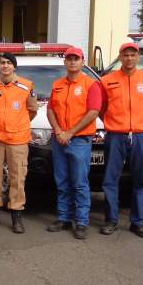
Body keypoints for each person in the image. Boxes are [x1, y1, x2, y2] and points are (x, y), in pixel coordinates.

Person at [99, 42, 143, 238]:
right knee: (110, 179)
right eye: (125, 55)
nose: (129, 58)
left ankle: (138, 222)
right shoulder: (107, 80)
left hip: (140, 135)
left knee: (140, 179)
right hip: (115, 135)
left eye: (132, 55)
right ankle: (111, 220)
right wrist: (114, 122)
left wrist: (141, 122)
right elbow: (101, 108)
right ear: (120, 56)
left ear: (138, 56)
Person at [0, 52, 38, 233]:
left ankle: (16, 215)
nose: (5, 66)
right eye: (2, 63)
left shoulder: (27, 86)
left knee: (17, 178)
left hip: (18, 139)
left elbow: (32, 110)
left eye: (8, 63)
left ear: (14, 66)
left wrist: (16, 123)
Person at [46, 47, 102, 240]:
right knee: (62, 181)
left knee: (79, 183)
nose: (72, 62)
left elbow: (93, 112)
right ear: (65, 62)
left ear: (82, 61)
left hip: (79, 140)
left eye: (76, 59)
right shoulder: (57, 84)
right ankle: (63, 217)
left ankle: (81, 222)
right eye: (69, 59)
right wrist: (59, 131)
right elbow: (51, 110)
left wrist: (70, 132)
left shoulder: (91, 84)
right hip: (59, 139)